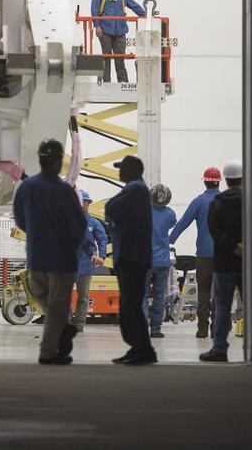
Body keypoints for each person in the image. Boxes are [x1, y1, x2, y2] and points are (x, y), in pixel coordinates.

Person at [12, 139, 87, 365]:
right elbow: (79, 227)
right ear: (58, 161)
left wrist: (38, 234)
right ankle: (48, 351)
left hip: (37, 256)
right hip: (61, 259)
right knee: (57, 305)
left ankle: (63, 334)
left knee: (44, 297)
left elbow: (20, 220)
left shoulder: (25, 188)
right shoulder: (64, 191)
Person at [104, 155, 157, 365]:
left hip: (132, 257)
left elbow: (110, 208)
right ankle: (140, 348)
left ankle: (143, 350)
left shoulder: (135, 189)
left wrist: (115, 218)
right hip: (132, 257)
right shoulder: (137, 189)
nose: (118, 172)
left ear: (133, 170)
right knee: (130, 305)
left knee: (130, 306)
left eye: (122, 168)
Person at [169, 166, 223, 337]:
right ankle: (217, 329)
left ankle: (202, 329)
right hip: (223, 255)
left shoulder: (199, 202)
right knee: (220, 293)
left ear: (205, 182)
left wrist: (169, 242)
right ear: (218, 182)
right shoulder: (225, 201)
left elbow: (182, 223)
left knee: (204, 291)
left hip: (204, 255)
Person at [201, 159, 244, 362]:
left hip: (224, 264)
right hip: (247, 265)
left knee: (222, 308)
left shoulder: (216, 203)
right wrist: (243, 247)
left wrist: (232, 246)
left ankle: (219, 349)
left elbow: (214, 231)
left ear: (225, 180)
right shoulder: (250, 201)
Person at [91, 0, 147, 83]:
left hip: (120, 30)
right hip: (105, 30)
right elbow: (94, 9)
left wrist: (146, 15)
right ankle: (106, 82)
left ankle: (122, 82)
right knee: (107, 57)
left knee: (120, 58)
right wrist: (97, 26)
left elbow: (132, 4)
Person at [71, 189, 108, 333]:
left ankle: (79, 324)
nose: (82, 204)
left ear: (88, 203)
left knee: (83, 296)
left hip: (86, 265)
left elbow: (102, 239)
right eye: (80, 201)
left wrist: (102, 256)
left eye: (85, 202)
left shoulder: (94, 223)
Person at [145, 184, 178, 339]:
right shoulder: (170, 214)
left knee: (142, 295)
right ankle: (156, 329)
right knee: (159, 296)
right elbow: (172, 225)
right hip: (162, 262)